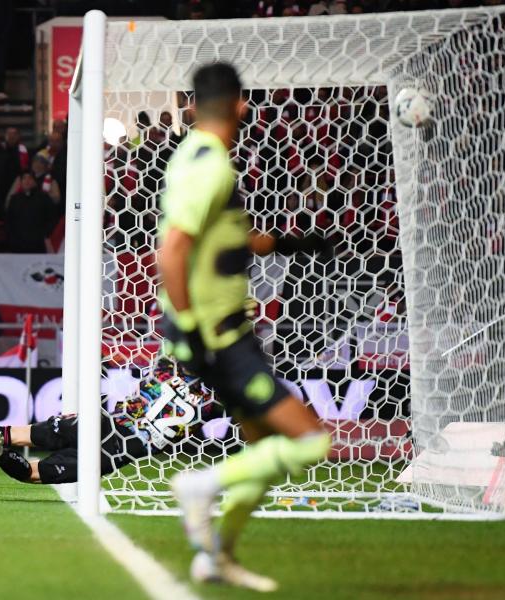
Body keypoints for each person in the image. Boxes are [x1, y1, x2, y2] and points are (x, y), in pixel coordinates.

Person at [156, 63, 330, 591]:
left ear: (193, 105)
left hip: (220, 329)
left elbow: (220, 236)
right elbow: (172, 250)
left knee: (259, 453)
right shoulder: (213, 167)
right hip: (219, 333)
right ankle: (200, 485)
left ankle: (216, 557)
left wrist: (287, 245)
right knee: (309, 442)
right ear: (240, 106)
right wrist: (187, 326)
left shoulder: (192, 156)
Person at [0, 358, 208, 484]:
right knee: (32, 474)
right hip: (117, 452)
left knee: (19, 433)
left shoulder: (165, 371)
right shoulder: (204, 408)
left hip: (101, 423)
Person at [5, 171, 53, 253]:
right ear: (21, 182)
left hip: (38, 244)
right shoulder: (14, 199)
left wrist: (45, 235)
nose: (27, 181)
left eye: (30, 178)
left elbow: (51, 218)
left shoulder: (44, 198)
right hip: (18, 244)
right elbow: (9, 221)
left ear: (35, 182)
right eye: (24, 178)